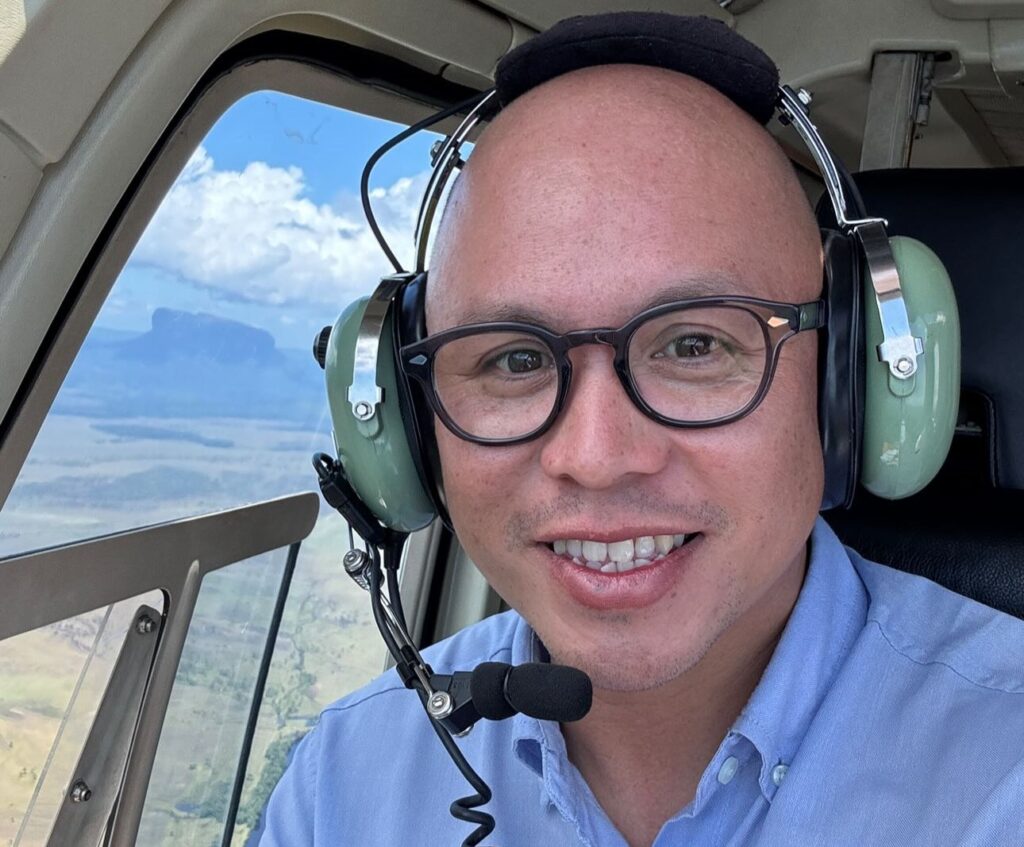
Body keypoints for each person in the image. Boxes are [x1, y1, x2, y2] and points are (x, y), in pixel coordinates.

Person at [258, 16, 1024, 847]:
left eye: (695, 345)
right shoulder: (341, 788)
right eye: (514, 361)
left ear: (852, 383)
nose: (596, 457)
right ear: (406, 425)